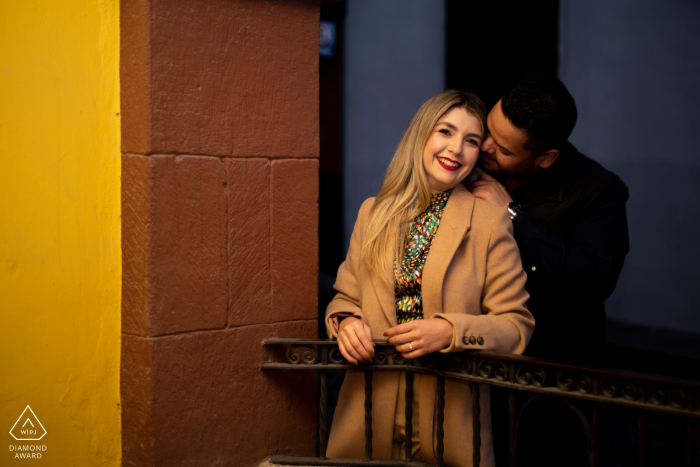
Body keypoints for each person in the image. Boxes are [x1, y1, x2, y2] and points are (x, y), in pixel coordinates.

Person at [324, 89, 535, 466]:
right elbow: (344, 298)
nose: (456, 149)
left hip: (450, 412)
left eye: (471, 140)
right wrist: (345, 323)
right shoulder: (372, 212)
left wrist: (450, 332)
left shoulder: (490, 222)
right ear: (422, 135)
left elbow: (516, 325)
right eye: (445, 132)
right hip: (371, 403)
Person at [472, 74, 629, 361]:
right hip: (473, 356)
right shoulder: (471, 157)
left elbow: (593, 283)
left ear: (546, 158)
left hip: (550, 366)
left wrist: (512, 214)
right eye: (489, 130)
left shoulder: (599, 190)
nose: (485, 146)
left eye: (503, 149)